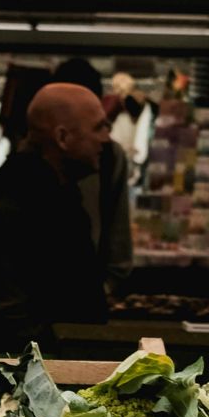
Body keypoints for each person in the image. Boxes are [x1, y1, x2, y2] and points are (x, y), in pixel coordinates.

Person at [0, 83, 111, 350]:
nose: (106, 138)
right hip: (29, 380)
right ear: (63, 137)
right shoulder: (12, 203)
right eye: (99, 127)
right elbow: (6, 317)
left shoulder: (50, 191)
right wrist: (58, 366)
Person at [51, 58, 134, 293]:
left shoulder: (108, 156)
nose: (102, 136)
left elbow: (117, 231)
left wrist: (105, 287)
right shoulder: (35, 155)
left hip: (84, 290)